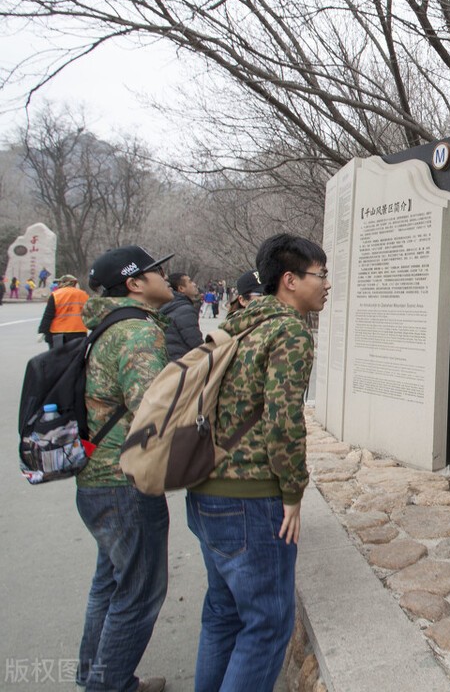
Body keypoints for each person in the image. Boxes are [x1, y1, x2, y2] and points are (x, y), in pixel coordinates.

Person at [187, 234, 328, 692]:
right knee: (267, 626)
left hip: (205, 488)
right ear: (290, 280)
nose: (327, 285)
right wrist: (293, 493)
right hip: (251, 499)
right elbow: (283, 421)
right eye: (320, 275)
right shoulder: (288, 331)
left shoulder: (238, 325)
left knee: (223, 616)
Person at [77, 245, 175, 692]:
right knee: (138, 595)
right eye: (156, 271)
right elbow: (151, 413)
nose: (165, 276)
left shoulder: (104, 326)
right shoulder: (137, 332)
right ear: (135, 283)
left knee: (110, 585)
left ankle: (96, 676)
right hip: (125, 484)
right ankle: (110, 686)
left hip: (96, 479)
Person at [36, 273, 89, 347]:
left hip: (58, 334)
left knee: (59, 357)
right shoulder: (84, 295)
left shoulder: (56, 295)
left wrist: (42, 331)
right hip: (79, 332)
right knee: (77, 357)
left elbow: (48, 316)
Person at [161, 272, 203, 360]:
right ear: (181, 288)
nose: (194, 284)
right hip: (183, 362)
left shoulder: (169, 304)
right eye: (190, 282)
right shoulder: (185, 309)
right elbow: (195, 342)